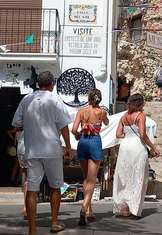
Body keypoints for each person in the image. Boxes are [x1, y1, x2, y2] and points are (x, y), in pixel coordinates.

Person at [11, 71, 72, 235]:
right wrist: (68, 146)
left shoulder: (26, 99)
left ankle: (32, 230)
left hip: (33, 150)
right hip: (52, 149)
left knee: (32, 188)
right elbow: (63, 125)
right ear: (52, 84)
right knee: (55, 186)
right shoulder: (55, 99)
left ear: (38, 84)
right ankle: (54, 222)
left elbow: (17, 123)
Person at [113, 93, 161, 219]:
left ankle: (125, 208)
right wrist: (153, 147)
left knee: (125, 177)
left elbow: (118, 134)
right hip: (137, 148)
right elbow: (142, 134)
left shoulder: (124, 116)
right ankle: (135, 210)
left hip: (125, 147)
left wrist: (128, 136)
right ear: (139, 103)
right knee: (138, 177)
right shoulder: (141, 115)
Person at [71, 88, 109, 226]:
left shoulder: (81, 112)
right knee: (92, 179)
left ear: (89, 98)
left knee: (85, 178)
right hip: (94, 141)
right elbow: (106, 123)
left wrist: (77, 135)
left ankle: (89, 210)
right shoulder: (101, 112)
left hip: (83, 141)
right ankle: (83, 207)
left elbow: (74, 129)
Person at [7, 126, 28, 219]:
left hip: (20, 146)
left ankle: (26, 207)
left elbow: (12, 130)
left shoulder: (19, 123)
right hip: (30, 146)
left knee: (21, 168)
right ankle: (27, 207)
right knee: (32, 177)